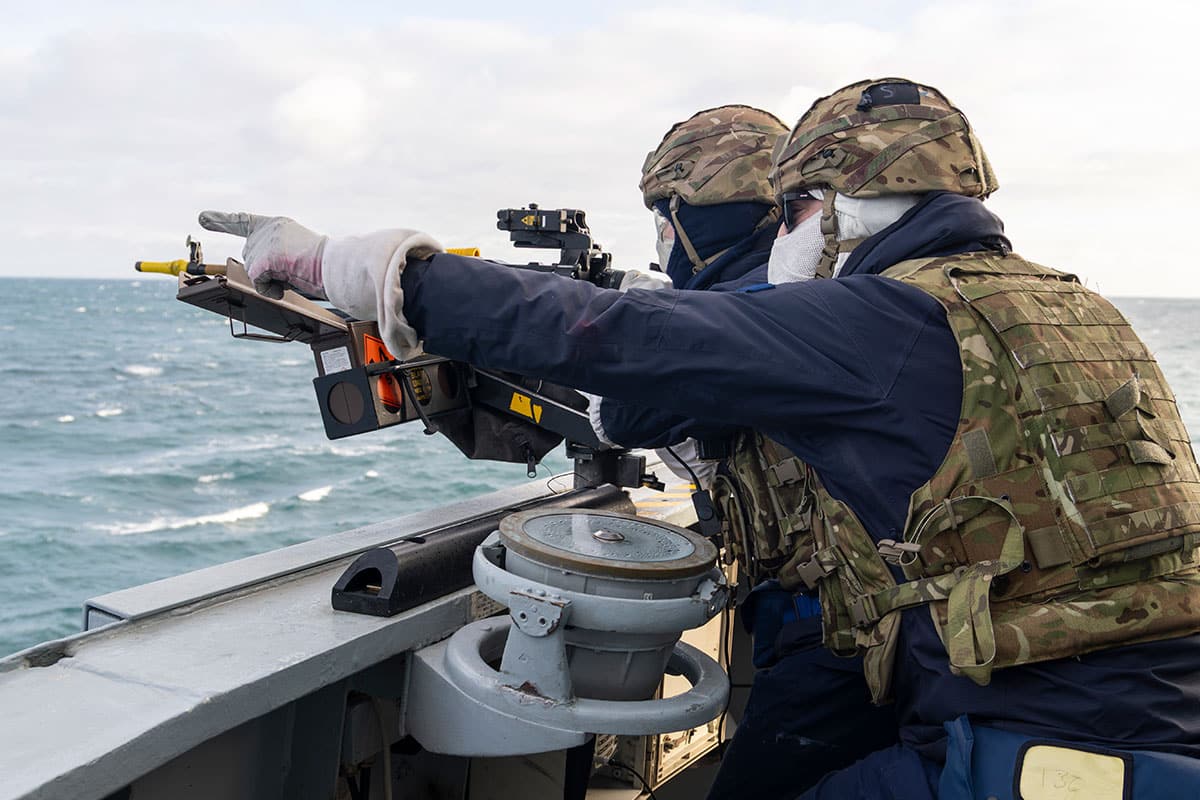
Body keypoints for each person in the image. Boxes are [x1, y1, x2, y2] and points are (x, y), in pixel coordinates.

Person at [198, 78, 1200, 798]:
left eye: (797, 209)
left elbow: (620, 341)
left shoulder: (884, 320)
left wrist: (359, 267)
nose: (786, 234)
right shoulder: (1072, 305)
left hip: (1039, 749)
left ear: (836, 206)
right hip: (1152, 724)